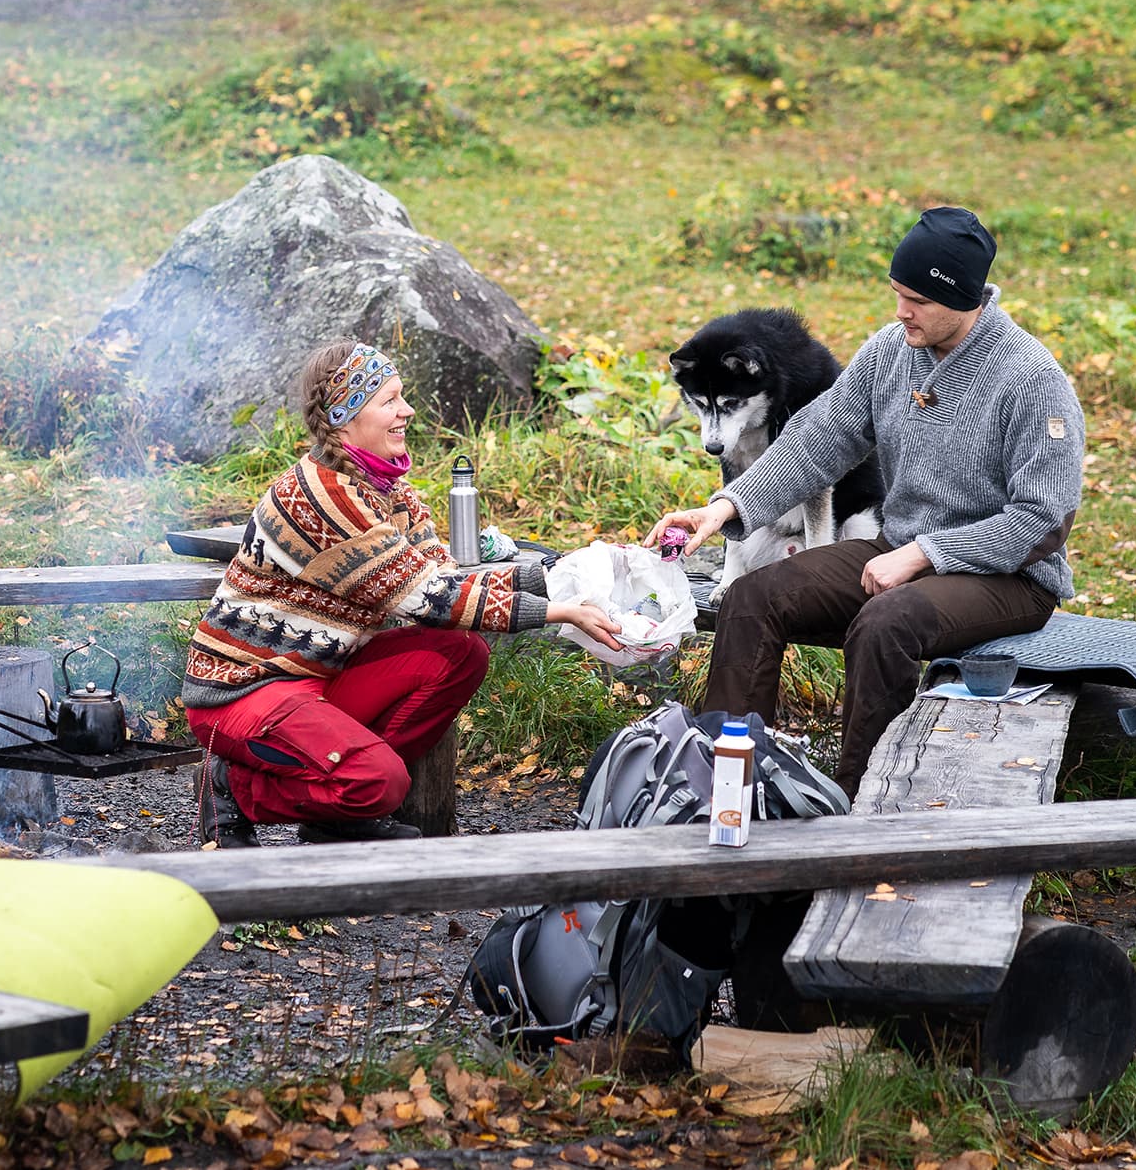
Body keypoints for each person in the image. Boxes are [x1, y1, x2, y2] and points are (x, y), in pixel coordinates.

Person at [649, 207, 1084, 796]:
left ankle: (855, 805)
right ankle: (725, 788)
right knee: (752, 598)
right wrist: (724, 508)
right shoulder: (889, 352)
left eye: (918, 300)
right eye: (897, 293)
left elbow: (1043, 520)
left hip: (1009, 576)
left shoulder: (1031, 379)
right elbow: (818, 439)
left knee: (886, 622)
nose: (902, 311)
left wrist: (924, 554)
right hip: (897, 548)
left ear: (966, 298)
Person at [183, 340, 622, 848]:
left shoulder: (388, 489)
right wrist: (558, 611)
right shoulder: (321, 496)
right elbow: (430, 600)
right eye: (390, 400)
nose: (407, 410)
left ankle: (338, 807)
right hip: (246, 689)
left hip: (320, 673)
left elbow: (443, 578)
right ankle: (232, 790)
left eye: (402, 397)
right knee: (380, 782)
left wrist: (558, 574)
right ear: (345, 417)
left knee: (460, 653)